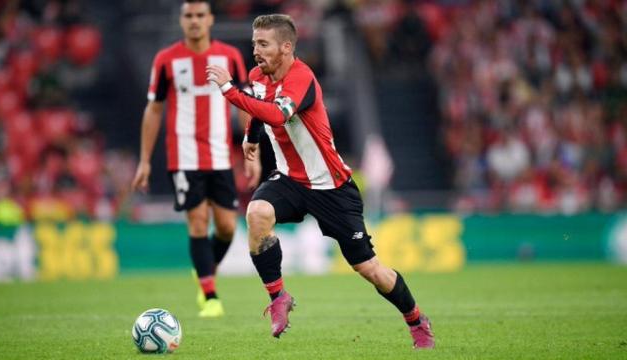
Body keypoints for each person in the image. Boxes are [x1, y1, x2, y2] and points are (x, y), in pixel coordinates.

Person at [206, 14, 435, 349]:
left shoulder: (302, 79)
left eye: (263, 43)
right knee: (256, 214)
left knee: (369, 269)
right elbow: (259, 111)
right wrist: (251, 138)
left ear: (286, 47)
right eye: (255, 43)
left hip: (332, 187)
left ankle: (416, 320)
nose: (255, 50)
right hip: (289, 180)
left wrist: (228, 89)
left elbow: (276, 113)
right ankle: (278, 297)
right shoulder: (258, 76)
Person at [131, 0, 261, 318]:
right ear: (181, 20)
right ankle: (210, 295)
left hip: (220, 157)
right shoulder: (166, 60)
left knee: (228, 227)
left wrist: (251, 146)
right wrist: (145, 160)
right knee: (199, 222)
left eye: (200, 15)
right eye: (188, 15)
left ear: (210, 19)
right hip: (184, 156)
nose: (194, 21)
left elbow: (243, 103)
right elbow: (154, 109)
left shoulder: (229, 56)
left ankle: (205, 267)